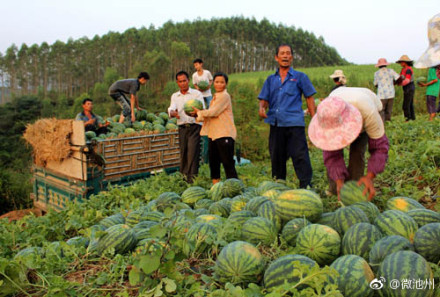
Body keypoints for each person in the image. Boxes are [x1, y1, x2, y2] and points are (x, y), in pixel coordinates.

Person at [308, 88, 389, 200]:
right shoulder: (327, 112)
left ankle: (356, 187)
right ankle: (336, 188)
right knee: (331, 149)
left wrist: (370, 176)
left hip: (367, 109)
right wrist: (339, 180)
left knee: (357, 151)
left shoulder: (368, 112)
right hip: (341, 109)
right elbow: (331, 155)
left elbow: (380, 149)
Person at [258, 44, 316, 188]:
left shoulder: (300, 77)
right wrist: (261, 108)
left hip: (294, 123)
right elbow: (264, 99)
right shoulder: (271, 80)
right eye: (282, 53)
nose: (285, 56)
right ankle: (279, 186)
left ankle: (306, 186)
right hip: (276, 124)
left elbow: (309, 98)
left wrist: (315, 120)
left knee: (300, 156)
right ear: (276, 58)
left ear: (292, 57)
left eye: (288, 53)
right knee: (277, 157)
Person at [193, 72, 238, 184]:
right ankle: (215, 187)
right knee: (214, 162)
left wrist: (200, 113)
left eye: (222, 82)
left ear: (226, 84)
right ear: (213, 83)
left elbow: (214, 112)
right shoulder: (215, 97)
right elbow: (211, 116)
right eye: (217, 82)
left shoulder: (224, 96)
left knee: (228, 163)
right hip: (214, 134)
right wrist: (197, 115)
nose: (219, 84)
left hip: (224, 133)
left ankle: (234, 187)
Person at [168, 71, 205, 183]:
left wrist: (196, 113)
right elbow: (171, 108)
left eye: (184, 81)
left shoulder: (196, 94)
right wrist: (172, 113)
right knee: (183, 153)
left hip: (194, 126)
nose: (183, 83)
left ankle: (192, 180)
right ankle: (183, 179)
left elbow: (202, 108)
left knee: (192, 153)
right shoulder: (175, 96)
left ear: (188, 80)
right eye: (180, 81)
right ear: (177, 82)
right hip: (182, 127)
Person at [415, 13, 440, 118]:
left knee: (432, 105)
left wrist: (425, 85)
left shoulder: (433, 71)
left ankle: (433, 117)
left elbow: (435, 80)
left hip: (432, 90)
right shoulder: (435, 70)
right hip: (434, 90)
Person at [192, 58, 213, 165]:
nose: (196, 66)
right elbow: (195, 84)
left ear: (201, 64)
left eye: (197, 64)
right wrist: (198, 89)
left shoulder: (207, 73)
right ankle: (202, 122)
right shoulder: (194, 75)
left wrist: (208, 87)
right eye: (195, 65)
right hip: (200, 95)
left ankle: (210, 123)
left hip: (208, 94)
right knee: (200, 110)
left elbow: (210, 81)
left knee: (209, 110)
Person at [373, 58, 400, 122]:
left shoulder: (376, 73)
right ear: (386, 65)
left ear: (379, 65)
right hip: (390, 93)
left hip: (381, 94)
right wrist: (394, 83)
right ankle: (388, 121)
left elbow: (375, 84)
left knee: (382, 110)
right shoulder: (391, 71)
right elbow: (398, 78)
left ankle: (382, 122)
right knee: (389, 110)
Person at [396, 55, 416, 121]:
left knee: (405, 105)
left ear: (405, 62)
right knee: (410, 104)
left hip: (409, 87)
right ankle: (412, 118)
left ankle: (407, 119)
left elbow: (407, 80)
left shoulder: (408, 70)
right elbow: (400, 77)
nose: (401, 63)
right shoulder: (403, 69)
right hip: (407, 87)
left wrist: (400, 84)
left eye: (402, 62)